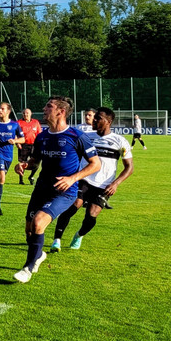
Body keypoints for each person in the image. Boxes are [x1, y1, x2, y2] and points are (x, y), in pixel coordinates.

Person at [12, 96, 101, 283]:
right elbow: (35, 161)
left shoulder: (76, 136)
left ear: (60, 111)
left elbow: (96, 164)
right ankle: (39, 255)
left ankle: (28, 268)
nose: (44, 109)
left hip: (64, 191)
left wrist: (73, 178)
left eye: (49, 106)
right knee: (30, 230)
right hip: (41, 189)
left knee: (38, 223)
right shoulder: (42, 136)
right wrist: (24, 165)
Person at [50, 107, 134, 251]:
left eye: (98, 118)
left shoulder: (120, 141)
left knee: (92, 215)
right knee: (73, 206)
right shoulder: (86, 136)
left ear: (108, 121)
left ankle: (79, 235)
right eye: (94, 117)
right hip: (84, 179)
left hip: (104, 185)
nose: (93, 120)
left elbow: (129, 167)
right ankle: (56, 240)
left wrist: (115, 184)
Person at [16, 108, 42, 185]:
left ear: (31, 114)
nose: (25, 114)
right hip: (23, 145)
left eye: (27, 113)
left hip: (34, 145)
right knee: (22, 163)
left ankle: (31, 176)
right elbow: (15, 134)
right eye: (24, 113)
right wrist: (17, 143)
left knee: (36, 163)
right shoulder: (19, 123)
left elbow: (39, 134)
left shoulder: (35, 122)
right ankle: (21, 180)